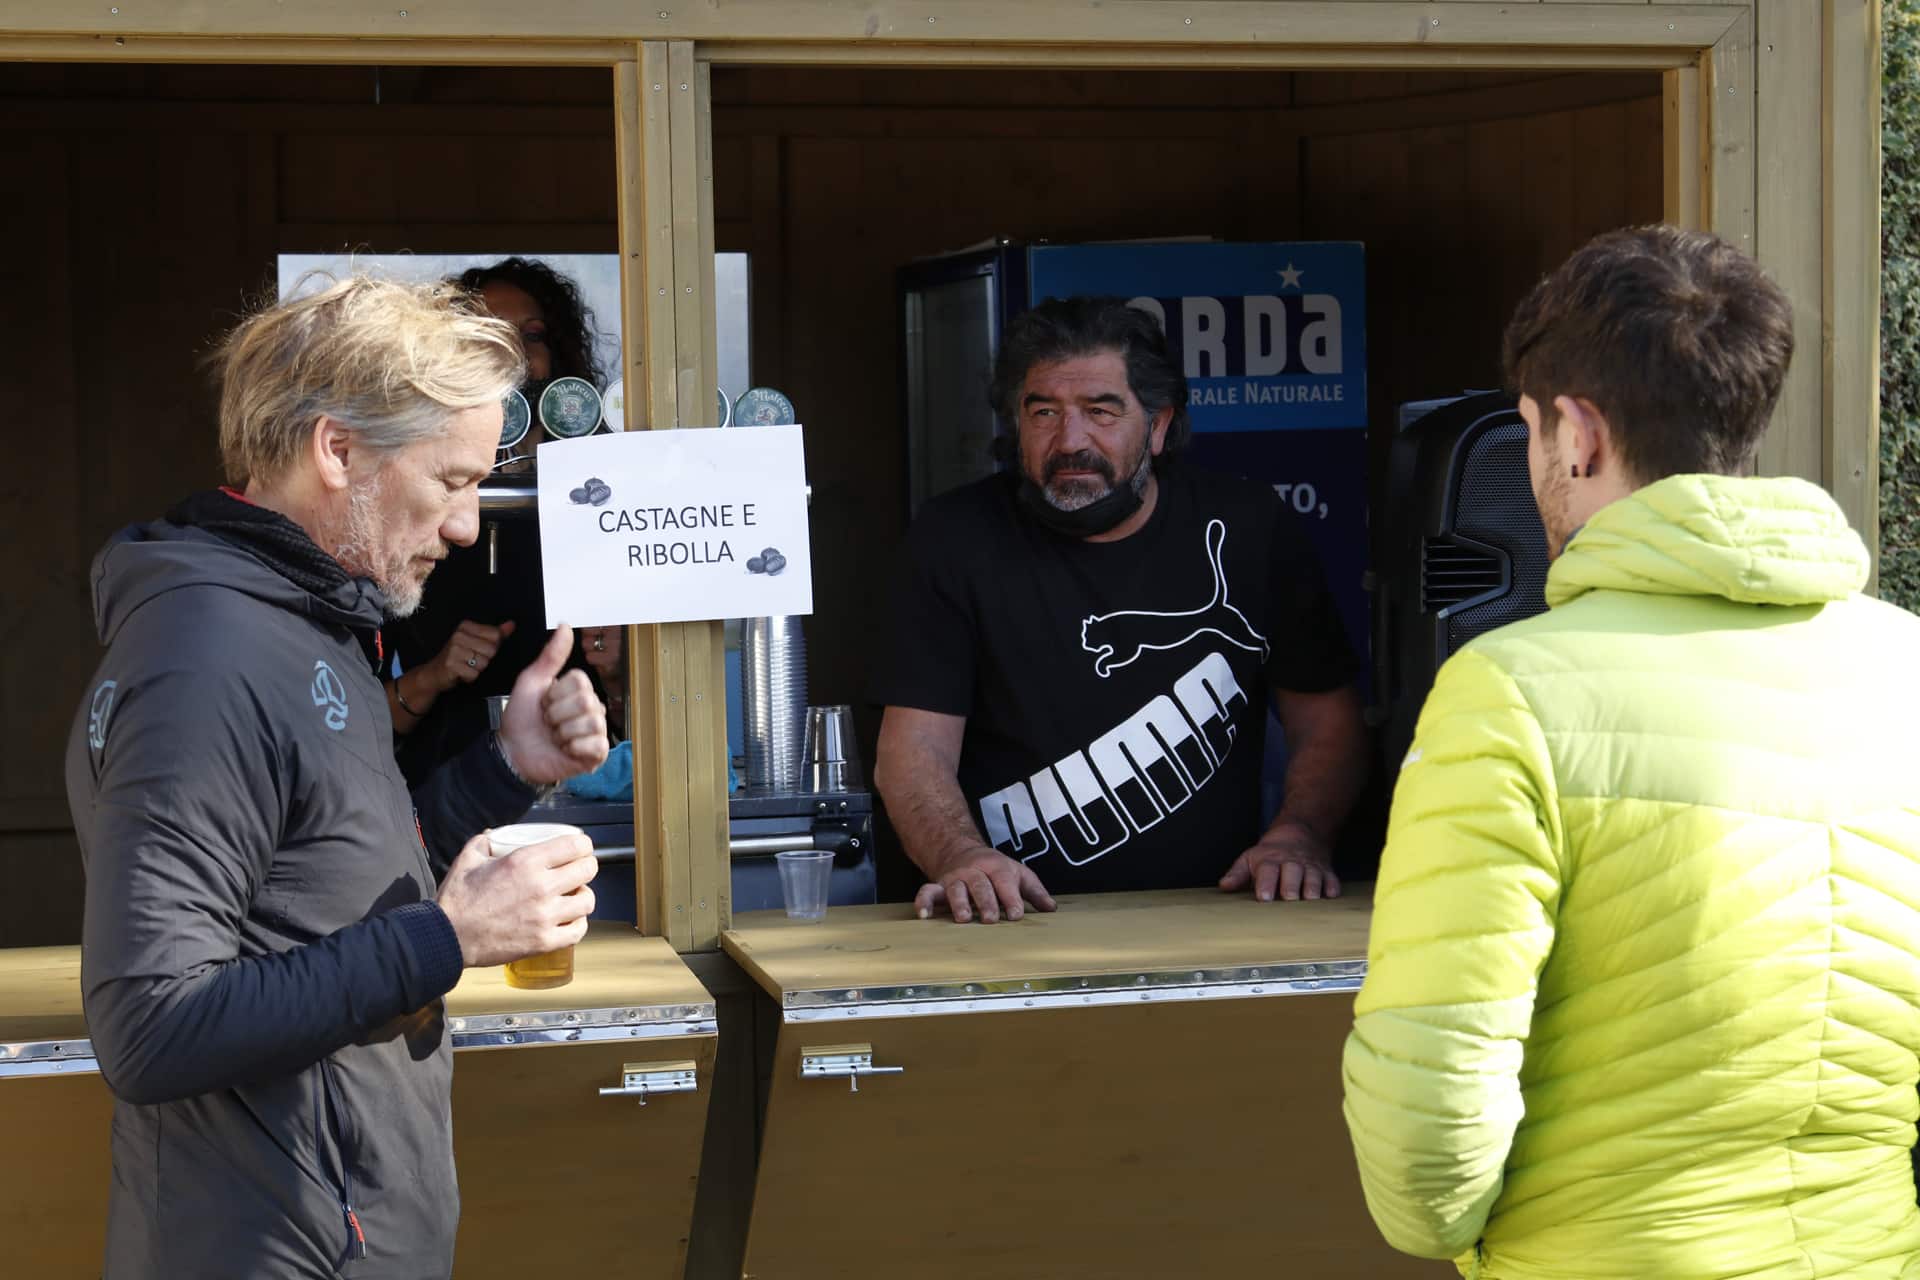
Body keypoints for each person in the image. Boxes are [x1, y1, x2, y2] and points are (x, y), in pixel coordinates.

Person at [1342, 225, 1920, 1277]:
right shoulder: (1905, 664)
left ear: (1578, 434)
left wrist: (1462, 1235)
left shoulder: (1508, 693)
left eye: (1527, 429)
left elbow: (1431, 1097)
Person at [65, 274, 611, 1278]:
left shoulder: (312, 620)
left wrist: (506, 768)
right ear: (338, 450)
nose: (464, 525)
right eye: (451, 481)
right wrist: (449, 939)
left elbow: (335, 882)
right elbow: (149, 1028)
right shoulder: (206, 659)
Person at [870, 295, 1370, 923]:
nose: (1069, 440)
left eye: (1101, 412)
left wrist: (1300, 835)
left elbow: (1328, 723)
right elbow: (913, 750)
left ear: (1159, 427)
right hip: (1006, 923)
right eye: (1044, 412)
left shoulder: (1249, 527)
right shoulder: (954, 539)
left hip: (1217, 919)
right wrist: (959, 856)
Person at [386, 256, 623, 783]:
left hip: (582, 802)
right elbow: (346, 721)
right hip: (436, 800)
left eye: (531, 335)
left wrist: (620, 676)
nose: (514, 351)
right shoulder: (409, 505)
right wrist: (433, 676)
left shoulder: (603, 500)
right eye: (487, 337)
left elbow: (651, 730)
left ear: (558, 357)